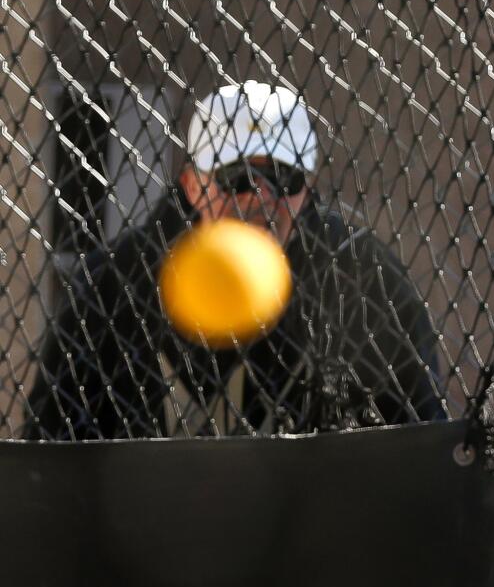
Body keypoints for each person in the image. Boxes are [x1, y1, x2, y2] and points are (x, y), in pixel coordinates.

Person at [24, 80, 443, 439]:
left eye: (284, 177)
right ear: (191, 187)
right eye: (236, 177)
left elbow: (421, 427)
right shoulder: (115, 285)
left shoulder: (359, 278)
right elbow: (51, 439)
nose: (260, 197)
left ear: (307, 188)